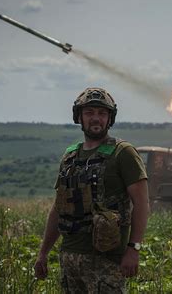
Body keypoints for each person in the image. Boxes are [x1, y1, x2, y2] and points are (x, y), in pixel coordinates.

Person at [34, 87, 149, 293]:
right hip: (70, 257)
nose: (96, 118)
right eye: (89, 112)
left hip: (106, 260)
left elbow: (141, 204)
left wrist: (134, 249)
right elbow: (58, 207)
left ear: (110, 118)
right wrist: (43, 253)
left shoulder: (123, 153)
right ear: (79, 117)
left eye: (102, 113)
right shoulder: (70, 157)